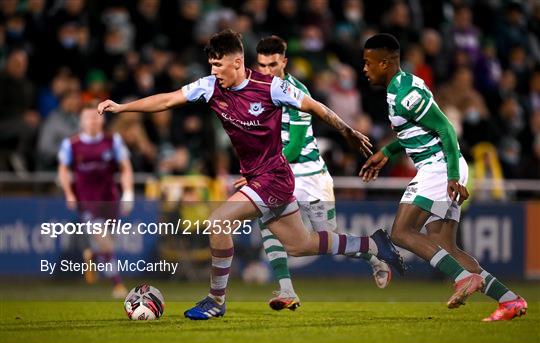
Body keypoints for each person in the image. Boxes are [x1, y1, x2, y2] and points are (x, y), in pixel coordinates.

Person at [98, 29, 405, 320]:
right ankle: (376, 245)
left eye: (219, 65)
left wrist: (347, 131)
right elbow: (166, 99)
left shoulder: (270, 87)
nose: (215, 71)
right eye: (211, 65)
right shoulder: (210, 86)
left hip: (273, 177)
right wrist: (123, 108)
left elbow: (315, 107)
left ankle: (216, 301)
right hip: (260, 177)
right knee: (302, 245)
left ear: (236, 62)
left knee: (219, 221)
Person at [360, 33, 527, 321]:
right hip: (441, 166)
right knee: (447, 247)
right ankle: (510, 300)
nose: (364, 68)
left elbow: (446, 129)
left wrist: (451, 176)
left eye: (368, 63)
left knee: (401, 232)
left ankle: (464, 278)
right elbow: (416, 133)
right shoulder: (400, 88)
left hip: (439, 167)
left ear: (385, 63)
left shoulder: (405, 95)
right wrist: (388, 150)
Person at [238, 35, 391, 311]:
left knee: (325, 239)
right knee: (268, 223)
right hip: (279, 175)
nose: (267, 71)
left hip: (309, 176)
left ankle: (372, 252)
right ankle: (286, 290)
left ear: (284, 62)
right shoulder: (252, 92)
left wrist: (260, 169)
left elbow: (295, 146)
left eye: (273, 64)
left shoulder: (296, 92)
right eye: (262, 65)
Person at [58, 107, 134, 298]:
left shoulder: (113, 141)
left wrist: (128, 192)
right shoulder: (71, 144)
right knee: (104, 241)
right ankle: (118, 285)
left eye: (95, 117)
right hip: (87, 202)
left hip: (110, 200)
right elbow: (63, 170)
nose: (92, 121)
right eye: (87, 118)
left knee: (109, 243)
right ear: (81, 122)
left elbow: (125, 168)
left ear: (102, 121)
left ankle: (93, 253)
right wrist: (68, 193)